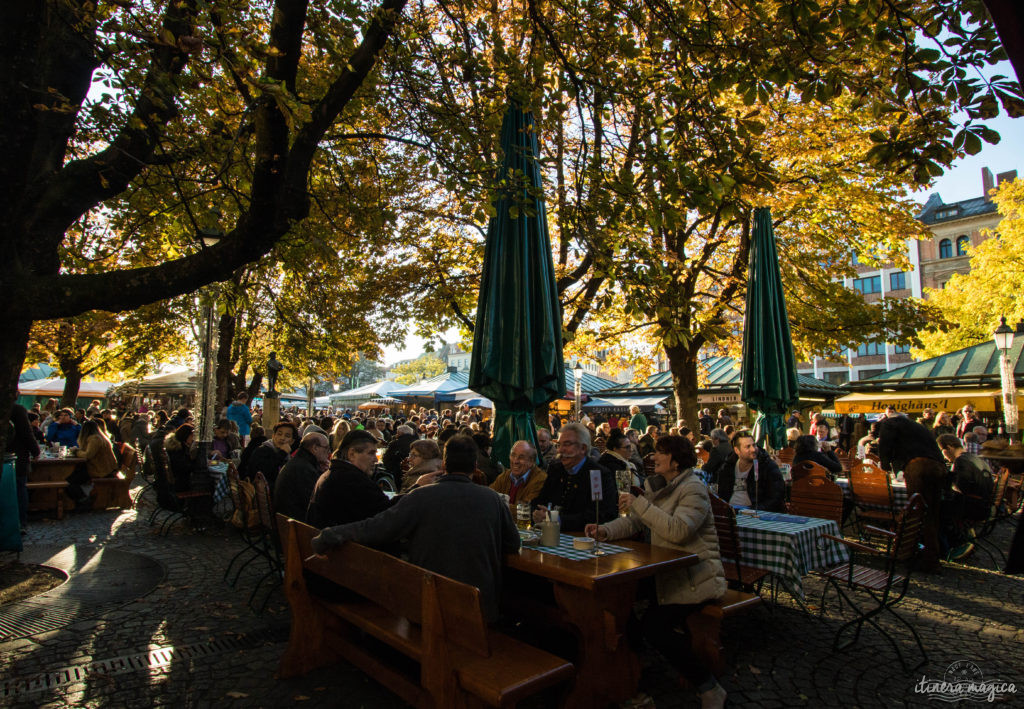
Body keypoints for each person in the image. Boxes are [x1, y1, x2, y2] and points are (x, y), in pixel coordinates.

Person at [310, 435, 520, 623]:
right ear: (475, 466)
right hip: (481, 610)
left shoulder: (422, 497)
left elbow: (376, 527)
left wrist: (331, 534)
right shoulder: (493, 499)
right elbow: (513, 544)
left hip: (428, 608)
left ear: (444, 464)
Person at [585, 435, 727, 709]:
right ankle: (634, 669)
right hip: (666, 575)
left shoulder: (693, 489)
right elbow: (635, 523)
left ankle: (709, 687)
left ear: (674, 461)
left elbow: (678, 530)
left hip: (696, 578)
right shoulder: (661, 486)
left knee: (655, 625)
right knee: (617, 603)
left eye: (660, 453)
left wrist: (639, 502)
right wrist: (605, 530)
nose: (653, 457)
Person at [877, 416, 946, 572]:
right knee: (932, 514)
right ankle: (931, 557)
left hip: (918, 466)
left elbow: (885, 444)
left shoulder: (889, 423)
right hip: (939, 466)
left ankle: (907, 553)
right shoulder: (916, 426)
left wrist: (885, 463)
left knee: (915, 512)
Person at [530, 422, 617, 531]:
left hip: (583, 540)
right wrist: (536, 513)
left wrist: (557, 519)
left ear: (583, 448)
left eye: (567, 444)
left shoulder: (598, 474)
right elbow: (540, 501)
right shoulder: (556, 469)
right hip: (550, 537)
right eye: (559, 445)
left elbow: (601, 515)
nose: (560, 450)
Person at [308, 430, 401, 528]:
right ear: (352, 454)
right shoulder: (352, 480)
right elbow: (387, 514)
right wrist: (415, 492)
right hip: (343, 542)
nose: (376, 459)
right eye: (371, 453)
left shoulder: (333, 473)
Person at [937, 434, 995, 560]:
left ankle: (948, 548)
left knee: (934, 510)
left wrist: (948, 480)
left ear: (949, 448)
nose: (944, 456)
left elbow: (960, 488)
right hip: (984, 504)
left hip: (973, 507)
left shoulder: (961, 461)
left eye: (943, 451)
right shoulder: (974, 458)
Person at [716, 431, 786, 512]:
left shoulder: (767, 466)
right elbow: (721, 494)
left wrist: (753, 510)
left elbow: (776, 497)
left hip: (756, 513)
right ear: (737, 450)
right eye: (748, 447)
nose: (753, 449)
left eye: (754, 445)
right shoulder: (728, 467)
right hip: (730, 512)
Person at [275, 431, 331, 523]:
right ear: (315, 448)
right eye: (326, 448)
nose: (329, 452)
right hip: (295, 525)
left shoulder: (300, 462)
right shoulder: (303, 469)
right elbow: (315, 504)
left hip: (288, 520)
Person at [10, 404, 40, 533]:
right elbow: (26, 433)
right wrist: (35, 451)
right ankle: (20, 523)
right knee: (19, 489)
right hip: (16, 458)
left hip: (15, 457)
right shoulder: (16, 409)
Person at [490, 440, 548, 506]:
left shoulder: (540, 480)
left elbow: (526, 509)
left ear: (531, 461)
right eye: (513, 455)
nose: (515, 461)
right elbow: (488, 496)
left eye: (521, 457)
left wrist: (497, 506)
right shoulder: (505, 476)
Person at [245, 420, 298, 490]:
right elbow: (264, 473)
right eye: (279, 434)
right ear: (273, 436)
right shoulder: (263, 450)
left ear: (292, 441)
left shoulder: (287, 456)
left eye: (287, 436)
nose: (282, 438)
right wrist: (282, 453)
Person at [599, 429, 641, 494]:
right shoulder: (617, 466)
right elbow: (624, 492)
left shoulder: (607, 458)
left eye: (630, 446)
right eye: (627, 447)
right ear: (615, 449)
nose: (631, 450)